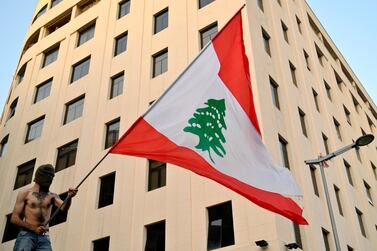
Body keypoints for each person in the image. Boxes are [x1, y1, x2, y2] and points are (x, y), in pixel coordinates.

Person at [10, 164, 78, 251]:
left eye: (52, 176)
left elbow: (64, 208)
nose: (50, 178)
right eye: (48, 175)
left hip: (44, 237)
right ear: (41, 176)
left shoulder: (52, 196)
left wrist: (69, 197)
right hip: (27, 235)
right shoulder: (25, 193)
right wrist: (34, 229)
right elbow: (14, 219)